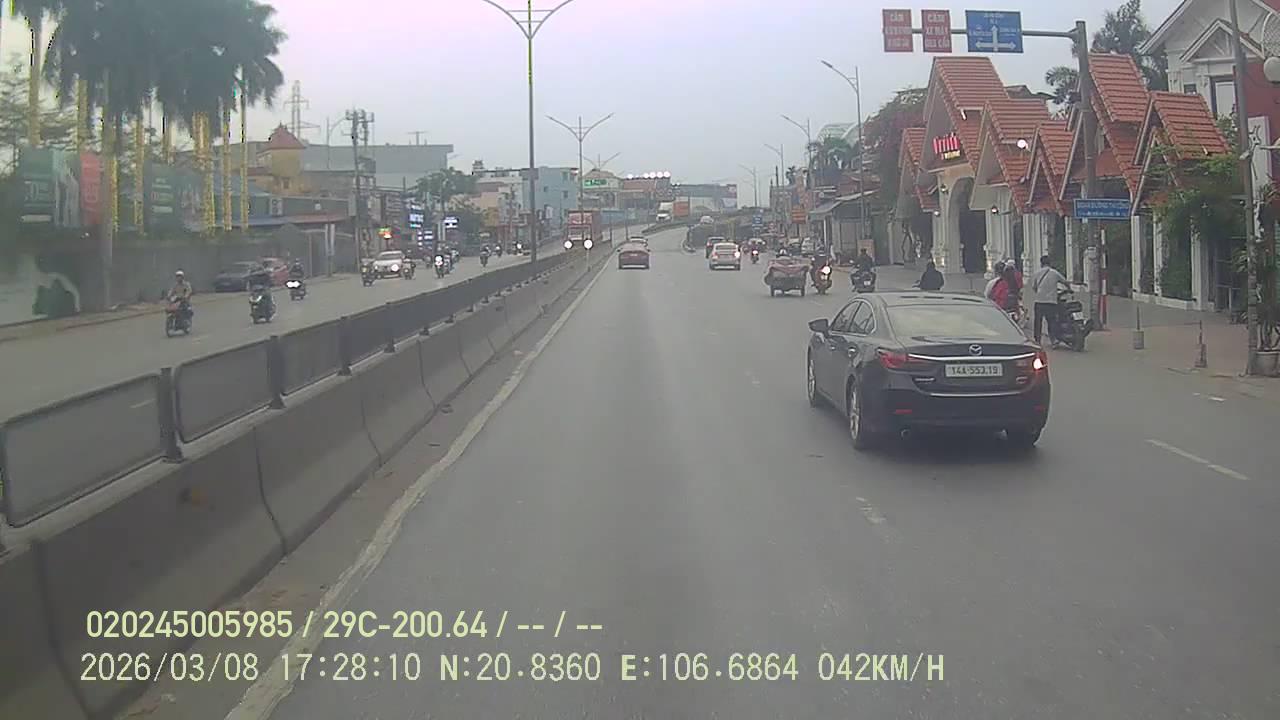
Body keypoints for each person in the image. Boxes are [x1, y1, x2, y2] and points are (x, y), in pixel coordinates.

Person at [1029, 255, 1068, 344]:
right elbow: (1065, 282)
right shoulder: (1055, 273)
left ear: (1041, 263)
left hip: (1039, 301)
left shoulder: (1037, 273)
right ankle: (1053, 340)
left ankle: (1037, 340)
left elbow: (1034, 287)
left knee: (1038, 322)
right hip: (1051, 301)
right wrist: (1069, 288)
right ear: (1050, 263)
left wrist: (1039, 292)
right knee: (1052, 321)